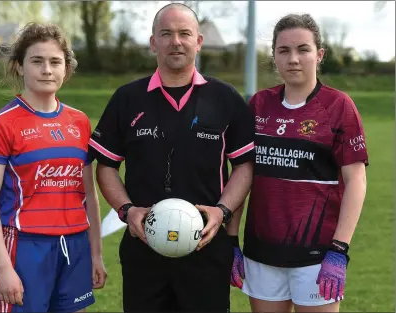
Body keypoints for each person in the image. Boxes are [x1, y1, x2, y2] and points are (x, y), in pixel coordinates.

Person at [88, 3, 255, 312]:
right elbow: (106, 166)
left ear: (199, 41)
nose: (175, 41)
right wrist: (127, 211)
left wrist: (222, 212)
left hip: (206, 246)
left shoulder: (224, 98)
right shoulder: (128, 98)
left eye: (184, 34)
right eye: (166, 34)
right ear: (153, 42)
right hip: (143, 249)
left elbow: (244, 165)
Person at [228, 13, 369, 313]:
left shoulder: (339, 106)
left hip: (317, 257)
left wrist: (339, 250)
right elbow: (241, 174)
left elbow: (356, 180)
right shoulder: (258, 105)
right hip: (261, 252)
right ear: (274, 57)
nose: (293, 58)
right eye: (284, 50)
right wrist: (231, 240)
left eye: (303, 49)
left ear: (319, 55)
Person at [0, 22, 107, 313]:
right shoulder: (2, 124)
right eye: (37, 61)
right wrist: (4, 268)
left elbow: (89, 193)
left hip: (74, 246)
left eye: (55, 62)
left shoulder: (80, 122)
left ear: (66, 69)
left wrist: (96, 254)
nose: (47, 69)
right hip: (24, 248)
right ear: (20, 67)